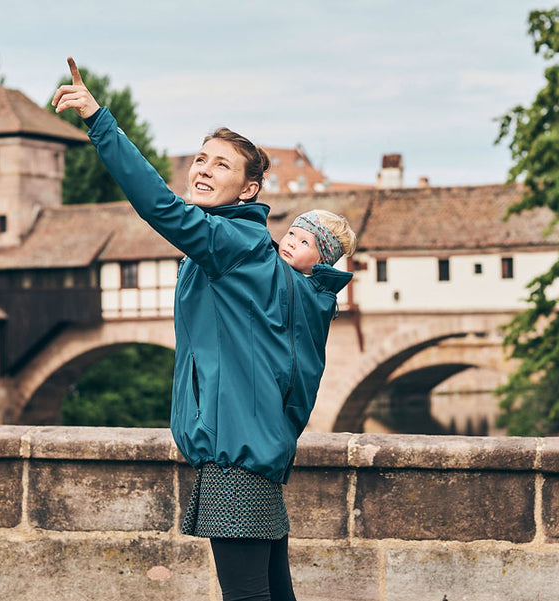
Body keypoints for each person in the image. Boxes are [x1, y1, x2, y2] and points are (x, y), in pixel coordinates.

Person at [52, 57, 356, 601]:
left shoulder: (230, 243)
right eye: (200, 158)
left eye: (222, 164)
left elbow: (158, 205)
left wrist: (100, 121)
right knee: (271, 593)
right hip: (257, 448)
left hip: (235, 452)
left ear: (249, 190)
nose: (204, 168)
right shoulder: (262, 259)